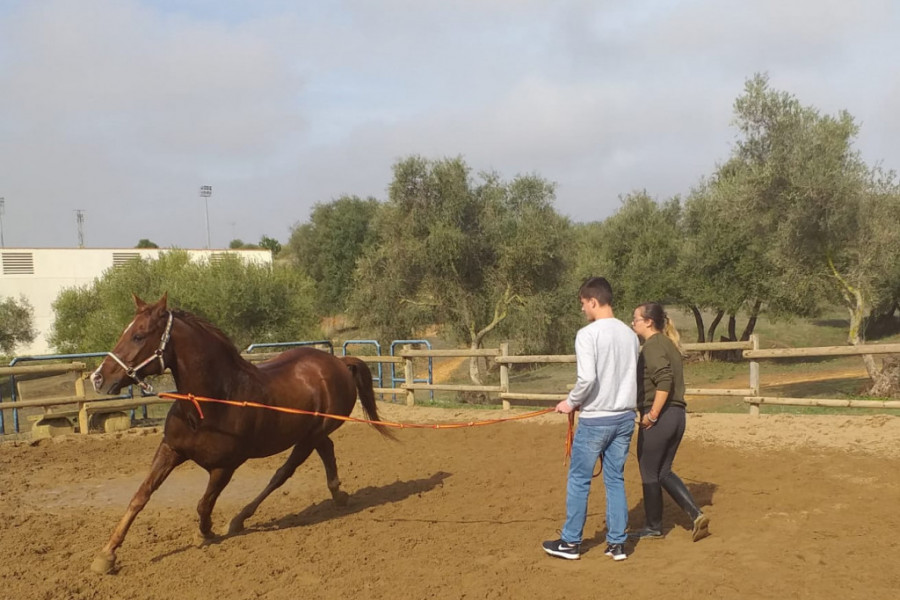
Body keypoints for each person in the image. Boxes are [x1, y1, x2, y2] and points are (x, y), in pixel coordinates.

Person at [542, 277, 639, 562]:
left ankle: (571, 542)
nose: (583, 309)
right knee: (615, 479)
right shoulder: (629, 335)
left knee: (579, 480)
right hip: (624, 418)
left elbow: (587, 378)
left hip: (596, 418)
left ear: (593, 301)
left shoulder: (587, 335)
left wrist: (570, 403)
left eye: (583, 304)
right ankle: (617, 543)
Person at [629, 302, 710, 542]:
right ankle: (695, 514)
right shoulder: (669, 345)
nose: (632, 323)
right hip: (677, 416)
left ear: (649, 322)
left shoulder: (653, 346)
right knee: (663, 470)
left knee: (648, 470)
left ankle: (653, 526)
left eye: (635, 319)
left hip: (661, 416)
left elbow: (664, 381)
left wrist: (652, 414)